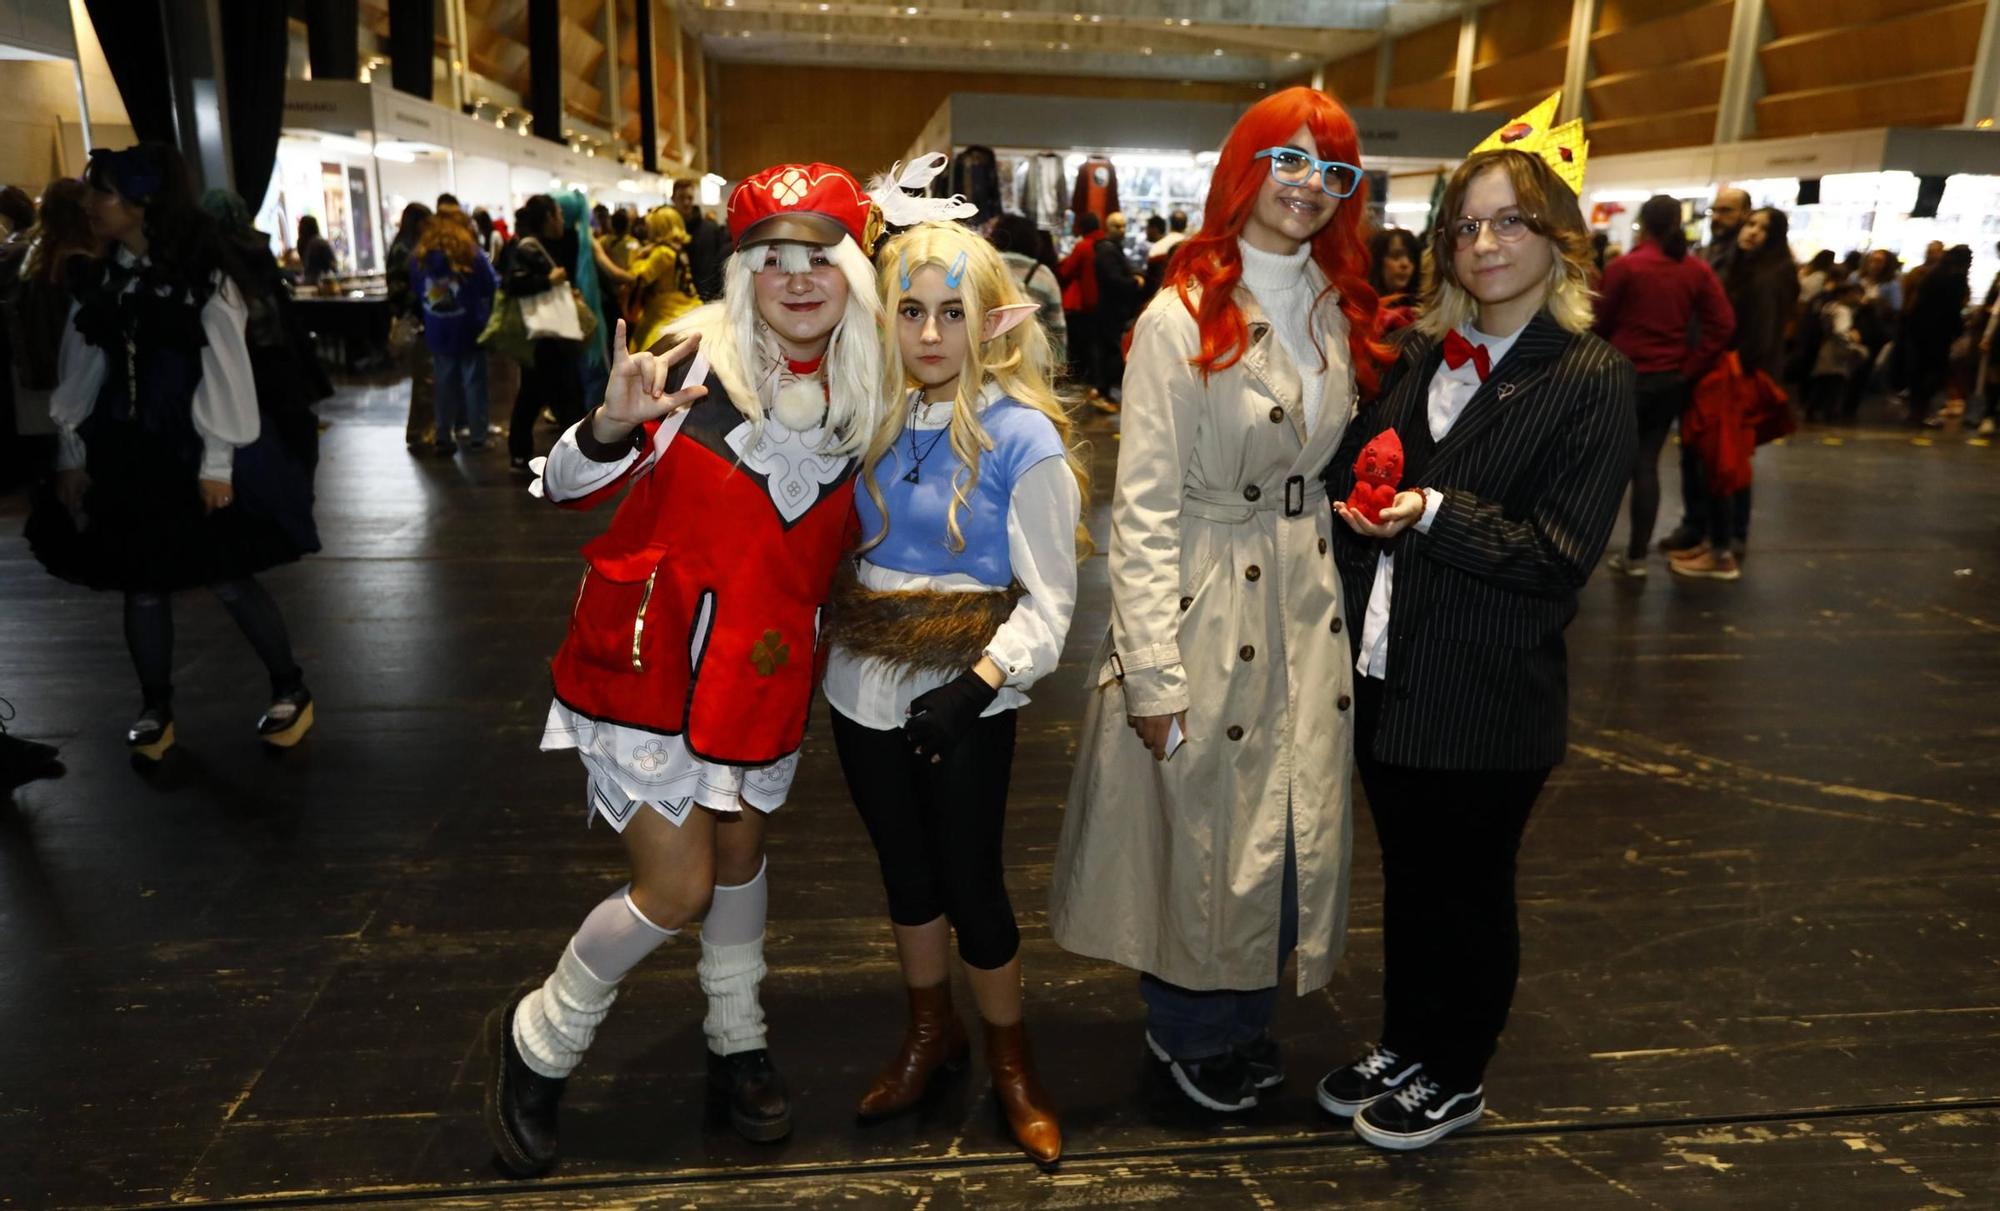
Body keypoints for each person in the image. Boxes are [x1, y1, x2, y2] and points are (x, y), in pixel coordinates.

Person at [485, 161, 896, 1178]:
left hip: (761, 672)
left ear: (852, 273)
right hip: (652, 666)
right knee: (676, 886)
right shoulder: (686, 362)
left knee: (743, 856)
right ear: (740, 271)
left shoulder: (870, 392)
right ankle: (540, 1038)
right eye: (771, 260)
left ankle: (735, 1034)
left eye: (820, 259)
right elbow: (567, 488)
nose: (797, 280)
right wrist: (616, 423)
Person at [1051, 85, 1385, 1117]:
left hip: (1301, 584)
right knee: (1197, 821)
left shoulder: (1337, 306)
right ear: (1243, 165)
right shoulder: (1176, 313)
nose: (1307, 187)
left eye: (1331, 171)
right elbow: (1140, 505)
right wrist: (1148, 668)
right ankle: (1190, 1025)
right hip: (1205, 586)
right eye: (1287, 159)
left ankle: (1241, 1020)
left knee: (1284, 818)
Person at [1320, 116, 1636, 1151]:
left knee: (1466, 888)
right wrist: (1355, 499)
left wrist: (1427, 511)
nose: (1484, 245)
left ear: (1560, 239)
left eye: (1512, 223)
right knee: (1410, 880)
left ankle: (1454, 1070)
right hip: (1388, 668)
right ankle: (1407, 1038)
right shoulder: (1422, 355)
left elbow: (1556, 554)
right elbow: (1364, 466)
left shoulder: (1587, 377)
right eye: (1465, 226)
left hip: (1488, 690)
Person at [825, 221, 1088, 1164]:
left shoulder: (1025, 440)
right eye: (910, 311)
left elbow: (1051, 602)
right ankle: (932, 1036)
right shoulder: (860, 422)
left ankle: (1012, 1060)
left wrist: (972, 688)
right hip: (860, 686)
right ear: (882, 321)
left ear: (988, 325)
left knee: (972, 883)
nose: (931, 334)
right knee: (906, 873)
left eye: (952, 313)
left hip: (968, 692)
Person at [24, 143, 321, 759]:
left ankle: (290, 686)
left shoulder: (202, 275)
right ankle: (155, 705)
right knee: (142, 581)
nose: (91, 202)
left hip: (191, 447)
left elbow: (226, 367)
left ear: (141, 202)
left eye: (103, 191)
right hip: (127, 450)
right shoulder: (99, 278)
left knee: (228, 575)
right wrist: (72, 453)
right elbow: (80, 370)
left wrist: (216, 464)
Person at [1594, 194, 1733, 577]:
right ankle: (1637, 556)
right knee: (1646, 465)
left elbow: (1599, 322)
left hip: (1623, 377)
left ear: (1643, 223)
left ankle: (1585, 550)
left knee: (1606, 467)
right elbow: (1722, 323)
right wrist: (1691, 367)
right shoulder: (1696, 270)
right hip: (1671, 380)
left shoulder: (1626, 267)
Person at [497, 194, 583, 471]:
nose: (561, 221)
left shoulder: (546, 245)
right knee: (538, 393)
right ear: (548, 218)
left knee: (551, 393)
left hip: (551, 334)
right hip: (543, 336)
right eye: (557, 214)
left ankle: (560, 454)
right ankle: (524, 452)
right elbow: (514, 284)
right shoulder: (528, 247)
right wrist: (549, 281)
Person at [410, 210, 499, 456]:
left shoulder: (420, 257)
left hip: (437, 330)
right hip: (470, 328)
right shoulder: (471, 254)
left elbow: (417, 289)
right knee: (474, 383)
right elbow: (491, 285)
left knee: (444, 384)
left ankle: (443, 435)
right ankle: (478, 436)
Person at [1904, 243, 1972, 426]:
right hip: (1940, 332)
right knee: (1937, 371)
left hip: (1920, 329)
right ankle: (1924, 409)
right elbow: (1953, 308)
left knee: (1919, 370)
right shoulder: (1956, 278)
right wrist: (1959, 331)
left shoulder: (1933, 274)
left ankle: (1916, 410)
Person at [386, 203, 434, 451]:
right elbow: (403, 288)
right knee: (424, 378)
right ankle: (419, 432)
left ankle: (422, 430)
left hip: (414, 317)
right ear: (418, 223)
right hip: (415, 319)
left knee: (424, 378)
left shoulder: (404, 245)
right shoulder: (407, 249)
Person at [988, 212, 1065, 363]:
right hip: (1032, 361)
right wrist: (1058, 363)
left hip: (990, 357)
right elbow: (1057, 327)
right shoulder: (1043, 274)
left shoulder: (985, 268)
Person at [623, 205, 702, 351]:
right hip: (680, 304)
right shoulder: (676, 248)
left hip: (663, 310)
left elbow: (638, 275)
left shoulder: (663, 252)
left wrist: (636, 255)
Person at [1091, 211, 1144, 408]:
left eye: (1123, 226)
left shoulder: (1111, 249)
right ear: (1108, 228)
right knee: (1110, 351)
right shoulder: (1107, 251)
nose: (1122, 230)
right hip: (1109, 310)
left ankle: (1103, 390)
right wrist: (1134, 282)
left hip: (1112, 310)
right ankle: (1104, 390)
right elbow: (1113, 279)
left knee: (1109, 350)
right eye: (1117, 226)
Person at [1057, 213, 1105, 403]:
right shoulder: (1104, 244)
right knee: (1096, 342)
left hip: (1084, 302)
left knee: (1083, 342)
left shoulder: (1083, 246)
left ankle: (1083, 376)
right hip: (1102, 301)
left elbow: (1067, 271)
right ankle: (1096, 379)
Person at [673, 177, 730, 302]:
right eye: (681, 198)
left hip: (706, 298)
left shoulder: (710, 229)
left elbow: (720, 264)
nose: (686, 202)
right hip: (676, 302)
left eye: (689, 198)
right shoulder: (667, 233)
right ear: (673, 199)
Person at [1367, 227, 1423, 337]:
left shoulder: (1421, 310)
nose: (1405, 264)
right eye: (1396, 256)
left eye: (1411, 258)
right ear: (1378, 261)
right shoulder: (1361, 310)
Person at [1700, 187, 1750, 274]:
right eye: (1713, 210)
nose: (1715, 218)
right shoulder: (1703, 252)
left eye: (1725, 210)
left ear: (1746, 213)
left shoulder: (1753, 255)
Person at [294, 214, 336, 285]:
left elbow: (304, 263)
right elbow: (332, 263)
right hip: (324, 282)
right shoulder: (320, 242)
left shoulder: (300, 242)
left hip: (307, 280)